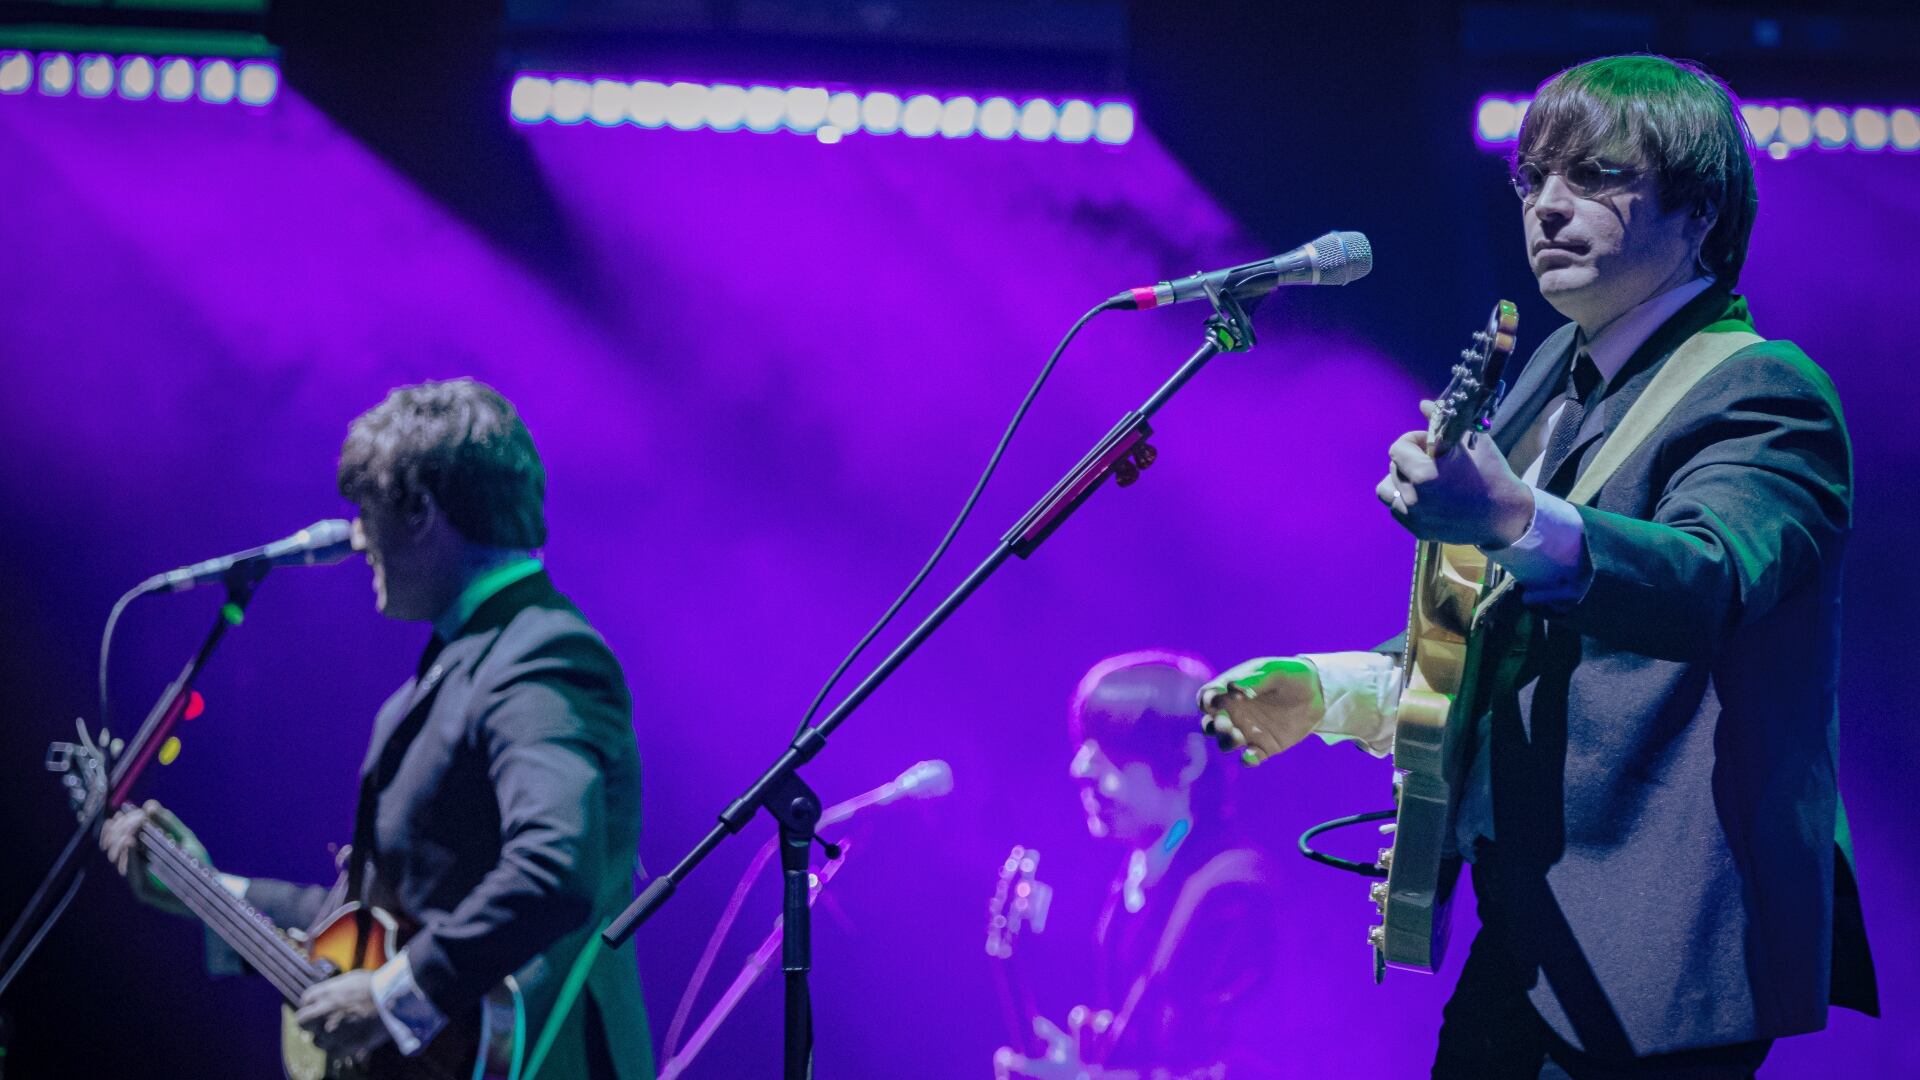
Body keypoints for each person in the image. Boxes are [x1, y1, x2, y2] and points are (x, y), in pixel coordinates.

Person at [1198, 55, 1877, 1077]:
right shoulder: (1556, 371)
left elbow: (1708, 582)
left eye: (1595, 176)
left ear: (1699, 210)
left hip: (1660, 956)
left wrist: (1509, 513)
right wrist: (1331, 692)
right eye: (1532, 180)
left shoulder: (1764, 389)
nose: (1548, 207)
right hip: (1531, 933)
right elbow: (1495, 622)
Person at [101, 378, 654, 1079]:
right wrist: (207, 886)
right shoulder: (451, 672)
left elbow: (553, 867)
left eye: (366, 511)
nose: (357, 537)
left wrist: (397, 995)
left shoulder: (542, 654)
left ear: (421, 512)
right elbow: (376, 920)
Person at [994, 649, 1288, 1080]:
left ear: (1188, 760)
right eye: (1083, 746)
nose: (1080, 768)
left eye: (1111, 748)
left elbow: (1230, 1069)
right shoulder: (1137, 881)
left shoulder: (1234, 893)